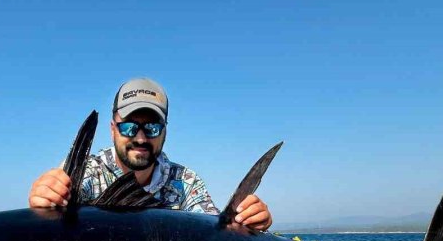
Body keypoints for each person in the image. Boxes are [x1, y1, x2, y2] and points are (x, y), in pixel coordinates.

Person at [27, 77, 273, 230]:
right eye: (129, 127)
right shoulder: (86, 173)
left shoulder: (186, 183)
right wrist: (44, 201)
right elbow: (52, 229)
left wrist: (250, 221)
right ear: (113, 129)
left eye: (152, 127)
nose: (141, 138)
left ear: (165, 132)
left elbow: (215, 235)